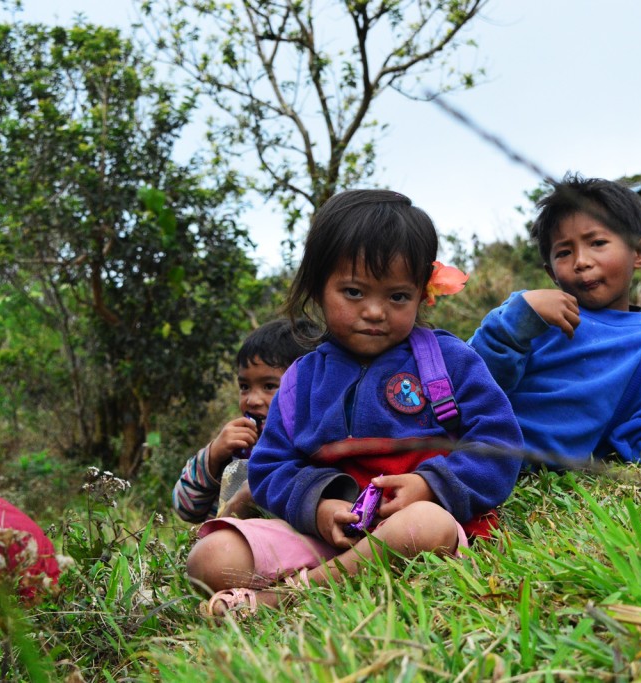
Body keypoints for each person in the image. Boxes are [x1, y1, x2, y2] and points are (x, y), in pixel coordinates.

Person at [187, 189, 523, 615]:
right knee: (210, 558)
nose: (375, 311)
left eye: (397, 296)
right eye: (354, 292)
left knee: (424, 526)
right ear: (317, 287)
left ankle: (290, 596)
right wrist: (320, 506)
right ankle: (341, 572)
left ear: (422, 293)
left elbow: (499, 442)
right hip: (324, 538)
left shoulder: (449, 362)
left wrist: (428, 486)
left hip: (418, 530)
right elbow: (271, 467)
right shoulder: (301, 381)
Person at [469, 173, 641, 467]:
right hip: (469, 453)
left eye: (598, 242)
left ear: (639, 252)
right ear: (551, 273)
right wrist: (515, 321)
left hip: (527, 476)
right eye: (564, 252)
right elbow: (466, 383)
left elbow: (640, 438)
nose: (581, 261)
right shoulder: (533, 313)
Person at [171, 318, 319, 523]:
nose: (252, 400)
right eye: (244, 386)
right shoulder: (235, 449)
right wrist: (213, 456)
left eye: (269, 386)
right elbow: (185, 508)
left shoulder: (317, 447)